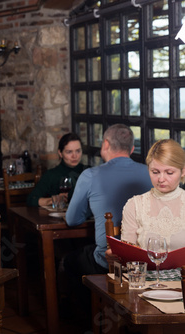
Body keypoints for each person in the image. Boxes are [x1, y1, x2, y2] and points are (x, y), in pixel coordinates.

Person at [62, 124, 152, 323]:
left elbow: (72, 220)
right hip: (148, 259)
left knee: (68, 262)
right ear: (131, 149)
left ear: (105, 144)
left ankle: (91, 318)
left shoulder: (90, 176)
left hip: (110, 261)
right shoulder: (152, 173)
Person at [120, 139, 185, 250]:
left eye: (169, 173)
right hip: (146, 267)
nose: (161, 179)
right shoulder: (134, 205)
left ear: (183, 171)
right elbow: (128, 254)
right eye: (155, 172)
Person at [27, 132, 88, 207]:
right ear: (60, 153)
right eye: (69, 152)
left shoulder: (88, 171)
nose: (74, 156)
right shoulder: (51, 175)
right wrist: (52, 200)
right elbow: (31, 200)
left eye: (78, 151)